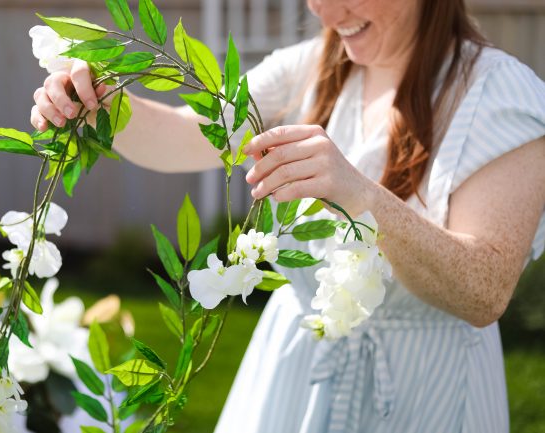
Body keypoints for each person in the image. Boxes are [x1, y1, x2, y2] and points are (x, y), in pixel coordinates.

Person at [30, 0, 545, 431]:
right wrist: (101, 107)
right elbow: (187, 138)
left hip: (427, 387)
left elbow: (484, 289)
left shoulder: (499, 96)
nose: (323, 9)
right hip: (294, 372)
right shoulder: (311, 68)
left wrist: (361, 195)